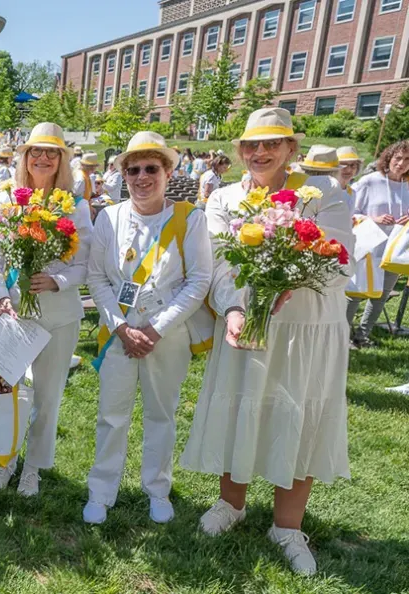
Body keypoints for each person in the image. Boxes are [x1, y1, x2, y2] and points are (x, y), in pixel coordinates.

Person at [180, 108, 353, 576]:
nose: (260, 153)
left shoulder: (325, 194)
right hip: (247, 324)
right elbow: (217, 263)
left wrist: (287, 282)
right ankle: (230, 504)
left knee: (300, 408)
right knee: (240, 406)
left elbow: (339, 260)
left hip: (308, 328)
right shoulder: (223, 198)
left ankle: (287, 526)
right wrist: (235, 308)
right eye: (251, 145)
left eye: (272, 143)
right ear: (238, 151)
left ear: (291, 148)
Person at [82, 131, 212, 524]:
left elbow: (200, 279)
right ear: (123, 174)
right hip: (119, 333)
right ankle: (101, 491)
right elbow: (96, 279)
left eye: (151, 168)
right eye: (133, 169)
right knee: (111, 416)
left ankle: (158, 489)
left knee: (161, 415)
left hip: (167, 336)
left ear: (168, 171)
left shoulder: (190, 218)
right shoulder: (109, 216)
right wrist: (121, 327)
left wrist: (155, 329)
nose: (142, 177)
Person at [0, 123, 93, 496]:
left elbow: (85, 265)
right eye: (35, 151)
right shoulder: (7, 200)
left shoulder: (77, 206)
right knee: (5, 390)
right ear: (25, 158)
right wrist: (1, 296)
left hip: (60, 314)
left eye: (51, 152)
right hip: (14, 310)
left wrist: (57, 281)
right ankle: (5, 459)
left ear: (62, 159)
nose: (42, 157)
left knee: (47, 396)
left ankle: (33, 467)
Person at [345, 140, 409, 348]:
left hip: (394, 250)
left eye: (407, 160)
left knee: (380, 296)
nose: (401, 163)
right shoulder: (370, 181)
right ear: (389, 158)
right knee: (356, 293)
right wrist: (375, 219)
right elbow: (350, 211)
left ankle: (363, 335)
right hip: (368, 246)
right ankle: (344, 336)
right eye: (398, 158)